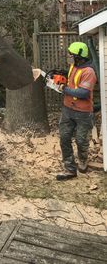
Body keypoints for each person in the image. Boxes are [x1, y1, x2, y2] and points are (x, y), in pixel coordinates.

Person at [55, 42, 97, 181]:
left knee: (81, 140)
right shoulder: (74, 66)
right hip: (68, 109)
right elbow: (72, 79)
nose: (69, 56)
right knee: (65, 138)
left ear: (79, 56)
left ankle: (83, 160)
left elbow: (83, 92)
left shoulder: (89, 72)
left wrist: (64, 89)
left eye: (71, 54)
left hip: (83, 112)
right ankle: (70, 169)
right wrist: (61, 76)